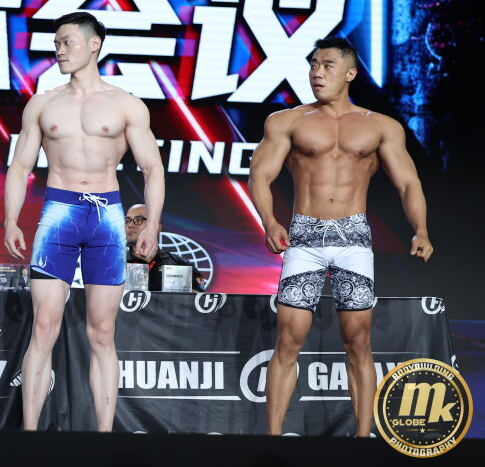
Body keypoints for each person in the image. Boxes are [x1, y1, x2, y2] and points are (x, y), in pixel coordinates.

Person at [248, 36, 433, 437]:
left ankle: (362, 440)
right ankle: (272, 440)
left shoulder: (381, 126)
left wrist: (420, 230)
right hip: (304, 237)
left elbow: (408, 184)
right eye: (313, 65)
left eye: (327, 66)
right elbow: (260, 174)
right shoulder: (287, 121)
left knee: (358, 341)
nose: (317, 72)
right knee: (288, 340)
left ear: (350, 73)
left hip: (353, 239)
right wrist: (269, 221)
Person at [4, 11, 164, 431]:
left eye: (68, 42)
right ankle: (29, 434)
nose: (59, 51)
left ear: (94, 45)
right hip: (58, 213)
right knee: (43, 325)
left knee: (103, 330)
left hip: (106, 217)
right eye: (56, 43)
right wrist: (10, 221)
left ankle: (104, 437)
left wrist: (152, 224)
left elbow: (152, 168)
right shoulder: (43, 103)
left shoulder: (126, 104)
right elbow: (20, 167)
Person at [124, 204, 207, 292]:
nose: (130, 225)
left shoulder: (181, 265)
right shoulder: (116, 264)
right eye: (127, 221)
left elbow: (200, 297)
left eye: (138, 220)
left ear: (157, 228)